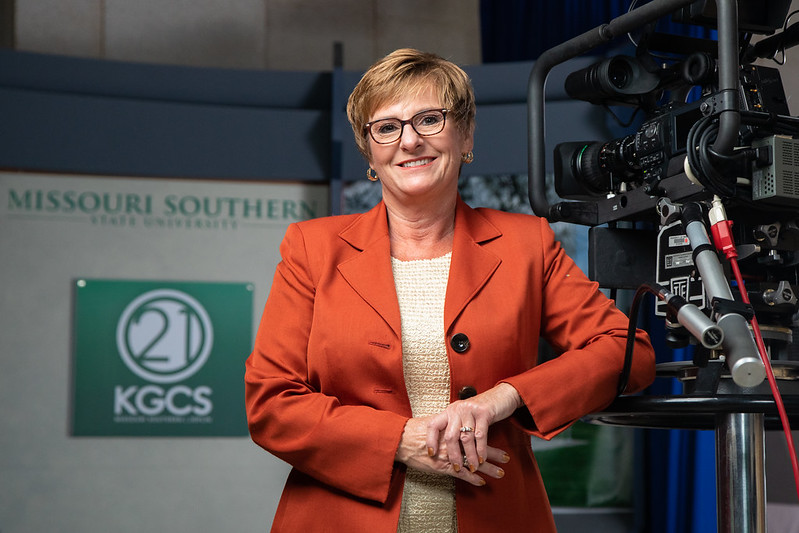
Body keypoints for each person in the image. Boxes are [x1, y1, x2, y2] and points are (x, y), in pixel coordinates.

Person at [245, 48, 656, 533]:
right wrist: (399, 440)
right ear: (369, 152)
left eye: (429, 119)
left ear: (465, 135)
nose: (410, 140)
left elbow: (627, 353)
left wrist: (505, 397)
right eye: (387, 127)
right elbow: (271, 402)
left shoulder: (527, 244)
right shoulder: (313, 248)